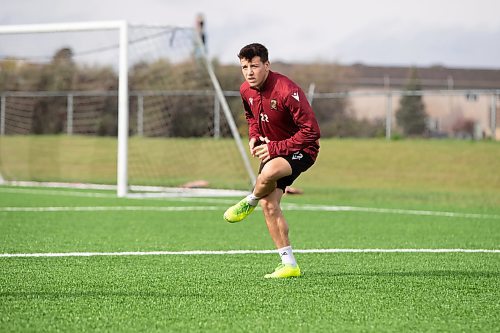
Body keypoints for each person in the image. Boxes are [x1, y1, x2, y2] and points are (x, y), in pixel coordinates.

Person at [223, 43, 321, 278]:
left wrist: (275, 147)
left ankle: (250, 198)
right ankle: (289, 264)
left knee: (267, 174)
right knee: (270, 205)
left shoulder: (287, 90)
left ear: (266, 65)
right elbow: (251, 116)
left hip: (303, 149)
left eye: (254, 66)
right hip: (272, 149)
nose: (249, 72)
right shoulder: (245, 90)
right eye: (244, 67)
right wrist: (255, 136)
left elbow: (311, 131)